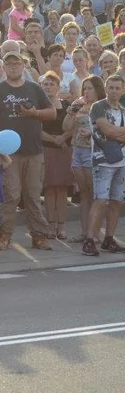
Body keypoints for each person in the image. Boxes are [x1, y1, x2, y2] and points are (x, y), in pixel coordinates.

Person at [0, 51, 56, 250]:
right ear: (4, 68)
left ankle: (38, 235)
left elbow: (52, 113)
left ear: (24, 66)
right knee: (11, 195)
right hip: (8, 154)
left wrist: (34, 113)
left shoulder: (34, 88)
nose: (13, 67)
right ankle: (4, 235)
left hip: (33, 150)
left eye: (17, 63)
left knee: (32, 194)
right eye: (9, 64)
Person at [82, 74, 125, 257]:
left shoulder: (123, 110)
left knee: (116, 201)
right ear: (106, 88)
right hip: (103, 161)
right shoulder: (98, 107)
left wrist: (114, 133)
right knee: (100, 200)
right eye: (111, 87)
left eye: (118, 88)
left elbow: (112, 132)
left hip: (122, 161)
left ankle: (109, 238)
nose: (114, 91)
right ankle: (89, 240)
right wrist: (115, 133)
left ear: (123, 90)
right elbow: (106, 130)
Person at [64, 76, 102, 243]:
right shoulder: (79, 106)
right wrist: (71, 112)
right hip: (77, 150)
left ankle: (94, 232)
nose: (87, 91)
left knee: (94, 193)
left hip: (92, 151)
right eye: (85, 88)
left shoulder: (101, 107)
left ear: (98, 90)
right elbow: (66, 128)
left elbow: (107, 130)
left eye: (90, 88)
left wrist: (92, 132)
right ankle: (85, 232)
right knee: (84, 193)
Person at [39, 71, 72, 241]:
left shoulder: (67, 106)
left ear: (58, 87)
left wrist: (64, 138)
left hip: (65, 150)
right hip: (46, 149)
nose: (48, 86)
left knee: (63, 188)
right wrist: (55, 139)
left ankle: (62, 225)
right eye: (45, 84)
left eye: (52, 84)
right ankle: (51, 225)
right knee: (50, 188)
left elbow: (74, 125)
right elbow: (36, 129)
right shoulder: (38, 106)